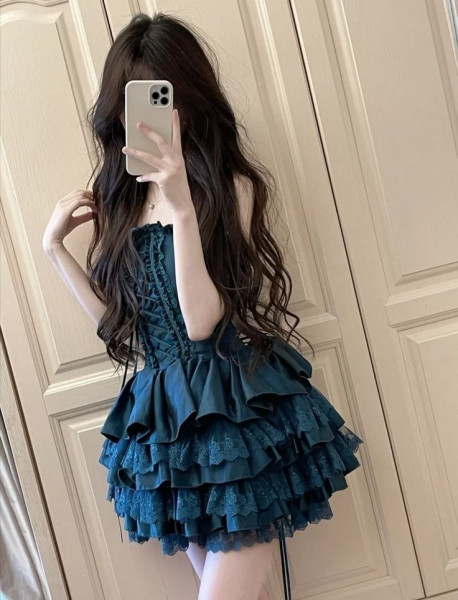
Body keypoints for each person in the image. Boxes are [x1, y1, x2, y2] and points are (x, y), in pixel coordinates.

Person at [42, 11, 364, 600]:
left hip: (237, 411)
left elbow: (200, 324)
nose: (148, 120)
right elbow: (123, 331)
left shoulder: (230, 187)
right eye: (133, 106)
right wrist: (55, 250)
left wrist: (183, 208)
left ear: (188, 101)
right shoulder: (121, 202)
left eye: (162, 101)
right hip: (166, 426)